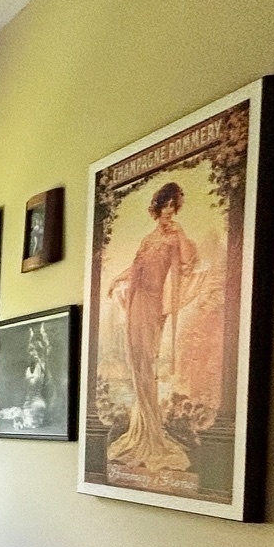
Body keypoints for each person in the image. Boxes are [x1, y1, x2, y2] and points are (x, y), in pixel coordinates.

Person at [106, 180, 199, 475]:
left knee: (146, 361)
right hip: (137, 301)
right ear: (158, 207)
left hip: (153, 302)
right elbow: (136, 268)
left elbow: (187, 260)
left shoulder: (175, 238)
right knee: (136, 361)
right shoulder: (148, 239)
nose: (170, 211)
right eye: (166, 205)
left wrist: (181, 233)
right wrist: (114, 280)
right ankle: (141, 428)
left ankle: (150, 435)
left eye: (175, 206)